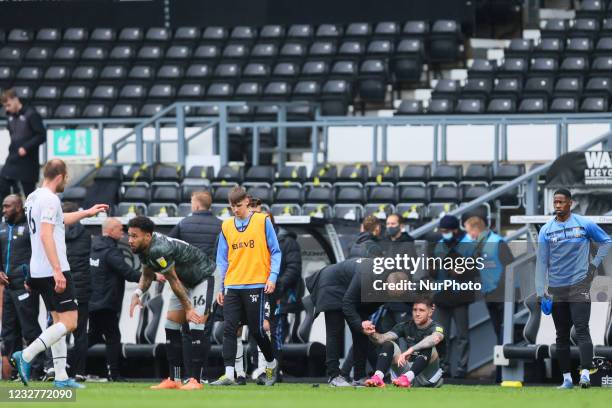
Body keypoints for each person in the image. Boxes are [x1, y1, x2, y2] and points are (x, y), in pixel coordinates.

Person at [11, 159, 108, 389]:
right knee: (71, 321)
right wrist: (57, 270)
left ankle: (61, 377)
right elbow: (46, 235)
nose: (67, 181)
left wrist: (87, 213)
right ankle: (25, 355)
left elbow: (59, 221)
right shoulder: (51, 199)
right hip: (52, 268)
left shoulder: (33, 197)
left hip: (37, 269)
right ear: (61, 176)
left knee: (57, 321)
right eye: (67, 177)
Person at [127, 216, 215, 390]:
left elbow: (172, 279)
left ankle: (195, 381)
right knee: (171, 326)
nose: (130, 240)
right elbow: (146, 275)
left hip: (204, 278)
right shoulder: (144, 250)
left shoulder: (159, 248)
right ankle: (174, 379)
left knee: (195, 324)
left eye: (134, 236)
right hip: (184, 282)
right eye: (129, 235)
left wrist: (188, 308)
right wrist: (137, 293)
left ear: (147, 236)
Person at [535, 188, 612, 389]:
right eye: (555, 202)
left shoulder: (584, 224)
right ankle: (567, 379)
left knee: (581, 329)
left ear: (570, 203)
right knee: (560, 334)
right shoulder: (546, 230)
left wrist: (593, 266)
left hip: (579, 285)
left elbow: (606, 241)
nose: (558, 206)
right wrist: (540, 290)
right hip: (556, 288)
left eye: (561, 202)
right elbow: (541, 262)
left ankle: (585, 374)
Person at [211, 186, 281, 386]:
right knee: (229, 329)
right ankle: (229, 374)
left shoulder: (262, 221)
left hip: (256, 283)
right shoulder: (226, 226)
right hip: (233, 284)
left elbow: (275, 251)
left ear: (247, 203)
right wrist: (220, 287)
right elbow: (222, 260)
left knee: (258, 331)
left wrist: (272, 277)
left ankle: (270, 363)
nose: (236, 210)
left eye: (239, 205)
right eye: (232, 206)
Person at [168, 190, 221, 382]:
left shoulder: (183, 223)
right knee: (202, 328)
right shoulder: (220, 225)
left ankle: (184, 375)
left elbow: (169, 246)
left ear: (197, 205)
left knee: (185, 330)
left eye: (192, 202)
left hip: (185, 282)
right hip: (209, 282)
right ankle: (199, 376)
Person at [89, 217, 144, 381]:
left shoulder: (94, 248)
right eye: (120, 229)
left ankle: (67, 365)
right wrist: (152, 276)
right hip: (106, 303)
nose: (123, 232)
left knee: (92, 337)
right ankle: (114, 374)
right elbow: (128, 273)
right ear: (111, 231)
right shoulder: (111, 251)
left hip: (93, 302)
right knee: (113, 338)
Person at [0, 194, 43, 379]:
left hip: (26, 286)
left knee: (30, 329)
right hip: (8, 287)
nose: (4, 210)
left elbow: (40, 254)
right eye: (3, 207)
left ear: (18, 207)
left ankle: (37, 370)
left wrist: (31, 278)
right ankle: (16, 373)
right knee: (9, 332)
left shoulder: (30, 227)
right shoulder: (2, 227)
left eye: (7, 206)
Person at [364, 297, 445, 388]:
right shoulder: (405, 326)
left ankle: (407, 378)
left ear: (430, 312)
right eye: (415, 310)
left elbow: (434, 338)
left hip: (428, 375)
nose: (417, 314)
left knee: (428, 346)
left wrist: (411, 350)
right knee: (389, 343)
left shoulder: (436, 327)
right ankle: (378, 377)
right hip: (408, 372)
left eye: (421, 310)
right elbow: (382, 339)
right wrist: (371, 333)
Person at [430, 214, 475, 378]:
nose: (444, 233)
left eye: (447, 230)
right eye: (442, 230)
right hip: (442, 295)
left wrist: (460, 269)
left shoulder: (468, 245)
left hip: (461, 296)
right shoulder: (440, 244)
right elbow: (434, 271)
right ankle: (443, 366)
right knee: (441, 335)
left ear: (455, 230)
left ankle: (462, 368)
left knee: (463, 335)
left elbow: (474, 269)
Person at [306, 258, 361, 387]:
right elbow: (348, 302)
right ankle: (334, 376)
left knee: (355, 332)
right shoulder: (367, 272)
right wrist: (359, 323)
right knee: (334, 332)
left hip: (334, 282)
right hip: (330, 287)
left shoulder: (370, 269)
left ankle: (358, 376)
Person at [463, 216, 514, 343]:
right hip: (489, 294)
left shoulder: (497, 242)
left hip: (502, 294)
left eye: (468, 231)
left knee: (505, 332)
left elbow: (510, 267)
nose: (468, 235)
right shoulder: (477, 246)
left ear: (475, 230)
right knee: (498, 331)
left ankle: (506, 362)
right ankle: (501, 362)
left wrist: (499, 289)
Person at [62, 202, 92, 382]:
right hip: (81, 290)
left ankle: (57, 369)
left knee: (58, 330)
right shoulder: (87, 235)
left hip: (62, 288)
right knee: (80, 333)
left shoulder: (57, 234)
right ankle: (79, 371)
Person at [0, 89, 47, 200]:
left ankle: (31, 215)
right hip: (13, 157)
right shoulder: (10, 116)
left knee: (29, 193)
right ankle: (5, 213)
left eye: (8, 105)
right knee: (2, 182)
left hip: (28, 159)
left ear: (15, 99)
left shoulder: (31, 114)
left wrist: (26, 147)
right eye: (5, 106)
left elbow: (41, 135)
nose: (7, 109)